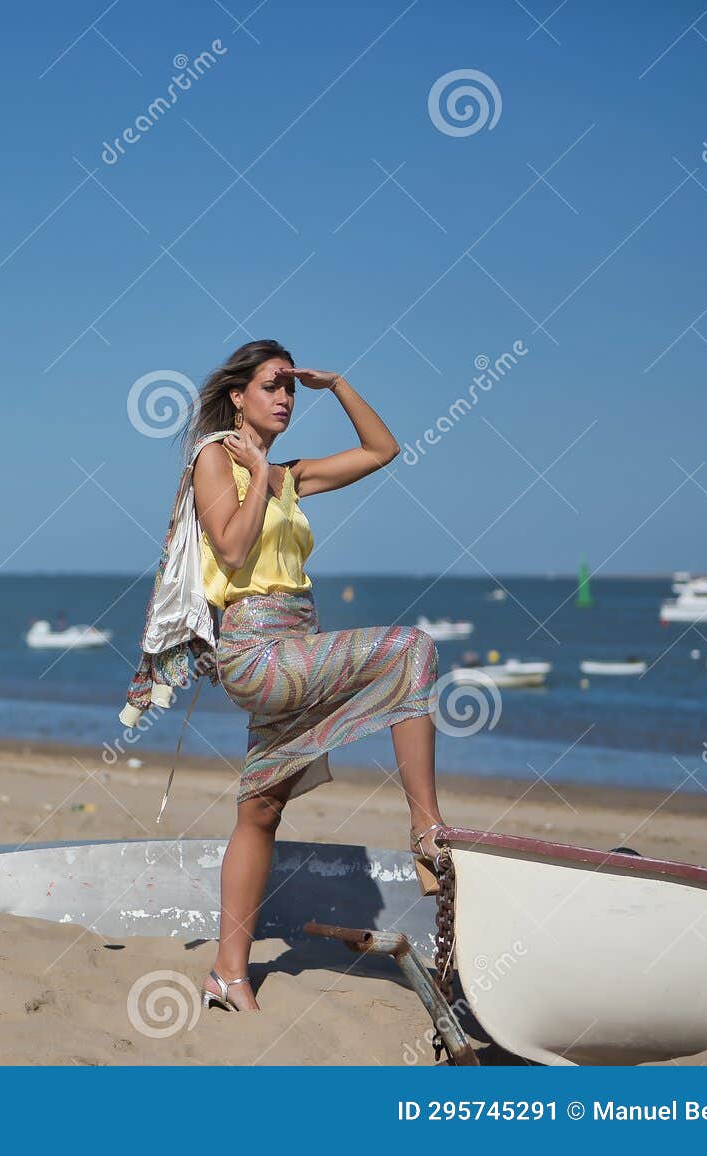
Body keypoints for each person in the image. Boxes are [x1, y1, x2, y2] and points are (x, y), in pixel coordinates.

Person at [187, 339, 445, 1013]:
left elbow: (381, 451)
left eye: (292, 389)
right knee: (411, 649)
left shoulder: (286, 477)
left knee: (260, 812)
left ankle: (227, 973)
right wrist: (261, 467)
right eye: (273, 384)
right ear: (238, 395)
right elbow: (234, 547)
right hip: (257, 652)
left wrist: (339, 385)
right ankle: (428, 834)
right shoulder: (215, 459)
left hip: (295, 647)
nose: (285, 397)